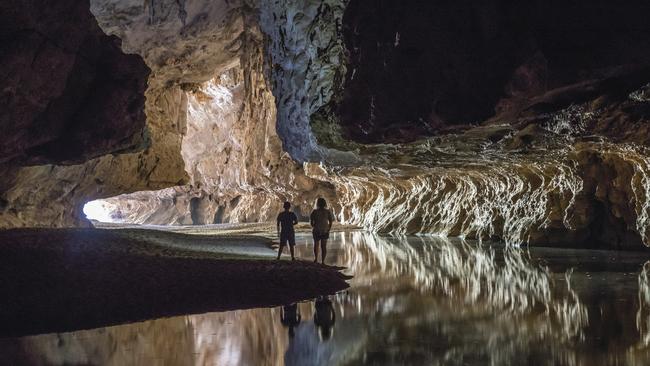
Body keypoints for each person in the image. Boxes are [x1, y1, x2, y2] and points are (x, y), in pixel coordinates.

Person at [310, 198, 335, 264]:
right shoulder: (327, 211)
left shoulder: (314, 211)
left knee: (316, 245)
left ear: (317, 203)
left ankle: (316, 259)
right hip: (325, 230)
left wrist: (314, 226)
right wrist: (328, 228)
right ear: (325, 203)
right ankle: (323, 261)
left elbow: (311, 222)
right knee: (323, 246)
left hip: (316, 230)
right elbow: (330, 221)